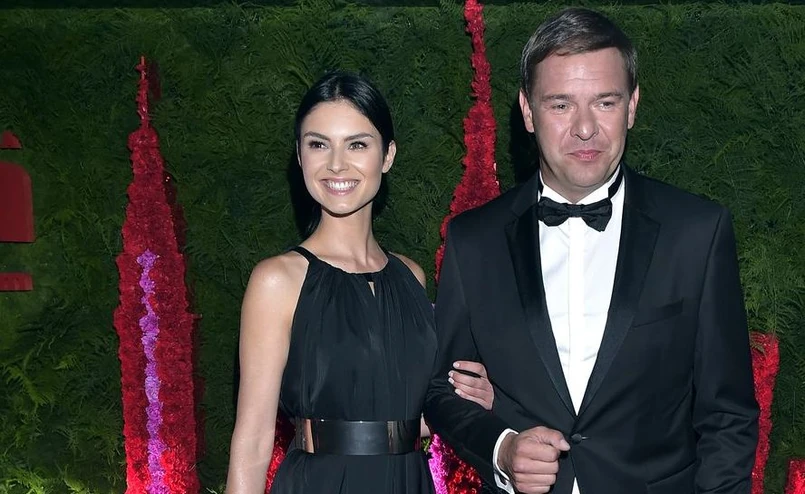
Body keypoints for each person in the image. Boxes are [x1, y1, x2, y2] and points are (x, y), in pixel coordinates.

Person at [424, 7, 758, 494]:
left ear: (632, 105)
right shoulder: (473, 240)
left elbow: (727, 414)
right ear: (527, 112)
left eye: (604, 102)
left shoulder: (697, 232)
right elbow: (443, 390)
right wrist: (502, 448)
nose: (585, 128)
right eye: (561, 105)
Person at [225, 70, 495, 494]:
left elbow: (401, 414)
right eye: (318, 144)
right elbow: (253, 439)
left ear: (387, 156)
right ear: (299, 156)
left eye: (357, 144)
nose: (336, 164)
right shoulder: (277, 280)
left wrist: (470, 400)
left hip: (408, 481)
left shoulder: (410, 276)